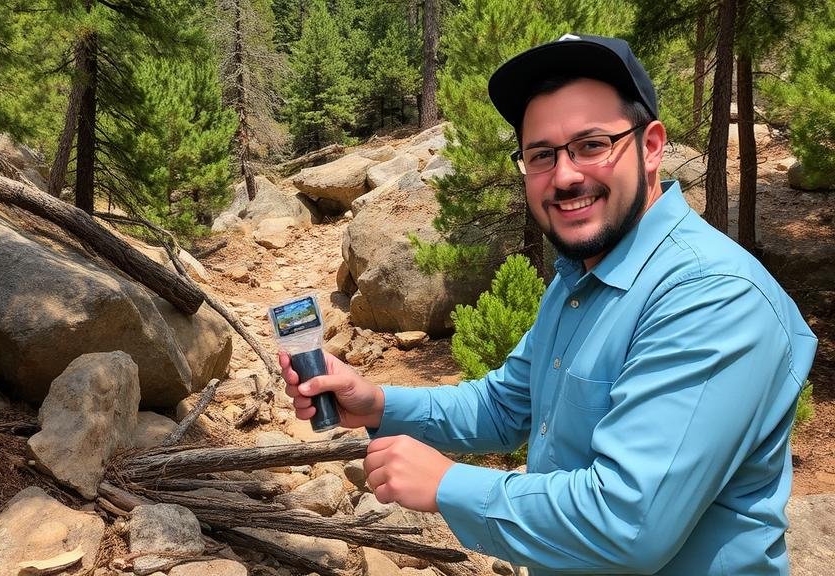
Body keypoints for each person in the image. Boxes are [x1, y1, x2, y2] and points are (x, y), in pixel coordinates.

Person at [280, 34, 818, 575]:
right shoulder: (582, 277)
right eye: (542, 155)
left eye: (591, 145)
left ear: (651, 146)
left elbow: (629, 523)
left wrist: (448, 485)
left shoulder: (710, 296)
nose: (564, 176)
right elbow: (506, 406)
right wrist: (375, 403)